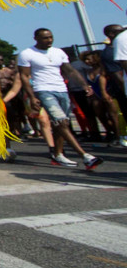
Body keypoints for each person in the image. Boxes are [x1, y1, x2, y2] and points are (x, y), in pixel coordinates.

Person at [18, 28, 103, 169]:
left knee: (61, 124)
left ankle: (58, 155)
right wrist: (32, 96)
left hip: (62, 90)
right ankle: (85, 156)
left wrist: (84, 85)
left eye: (51, 37)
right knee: (61, 122)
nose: (49, 40)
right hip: (43, 90)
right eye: (45, 38)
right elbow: (24, 76)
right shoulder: (27, 53)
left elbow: (70, 70)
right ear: (36, 38)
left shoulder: (58, 52)